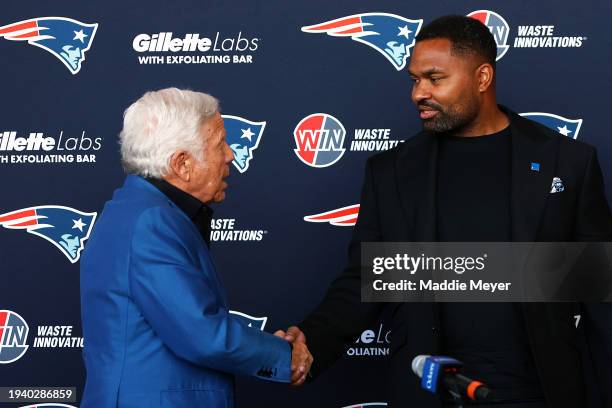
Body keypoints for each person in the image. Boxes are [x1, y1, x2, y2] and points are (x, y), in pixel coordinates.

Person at [276, 15, 612, 408]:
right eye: (415, 80)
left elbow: (600, 295)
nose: (419, 93)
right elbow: (368, 280)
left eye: (435, 79)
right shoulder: (393, 171)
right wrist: (311, 342)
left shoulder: (566, 162)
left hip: (539, 394)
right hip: (430, 394)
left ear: (482, 77)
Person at [80, 88, 312, 407]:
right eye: (219, 144)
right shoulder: (152, 223)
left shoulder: (138, 211)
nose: (230, 155)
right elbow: (202, 335)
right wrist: (286, 357)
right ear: (182, 164)